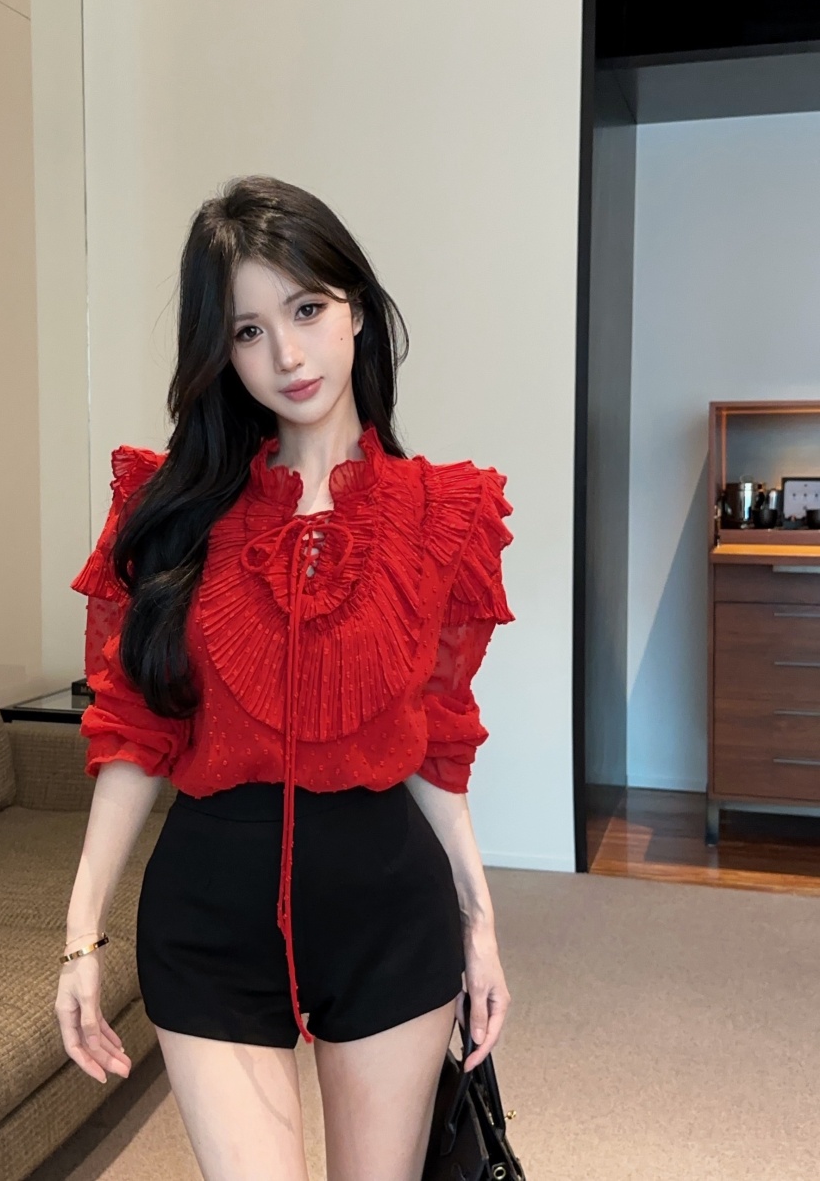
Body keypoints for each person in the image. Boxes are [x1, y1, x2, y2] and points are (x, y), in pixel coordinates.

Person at [54, 174, 515, 1181]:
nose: (287, 356)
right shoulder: (171, 513)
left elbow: (438, 740)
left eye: (306, 310)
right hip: (207, 915)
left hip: (389, 913)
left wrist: (480, 924)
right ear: (219, 351)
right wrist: (80, 936)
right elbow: (133, 731)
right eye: (248, 331)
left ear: (358, 309)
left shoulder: (442, 514)